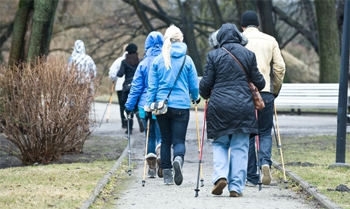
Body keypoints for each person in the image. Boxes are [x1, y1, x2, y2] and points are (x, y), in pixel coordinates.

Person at [199, 23, 265, 197]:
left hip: (219, 106)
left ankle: (220, 175)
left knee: (220, 143)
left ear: (219, 38)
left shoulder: (213, 55)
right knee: (240, 147)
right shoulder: (249, 55)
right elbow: (260, 82)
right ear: (239, 37)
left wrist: (205, 93)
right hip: (243, 107)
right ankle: (236, 186)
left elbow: (206, 84)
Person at [145, 25, 199, 186]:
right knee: (179, 140)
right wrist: (195, 98)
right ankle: (178, 159)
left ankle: (167, 175)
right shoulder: (187, 60)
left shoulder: (158, 60)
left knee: (166, 140)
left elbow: (152, 87)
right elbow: (194, 85)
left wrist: (149, 106)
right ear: (180, 39)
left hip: (161, 107)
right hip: (181, 106)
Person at [241, 10, 286, 187]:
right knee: (265, 131)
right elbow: (280, 67)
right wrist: (274, 89)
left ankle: (251, 175)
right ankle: (265, 162)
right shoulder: (270, 40)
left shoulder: (238, 40)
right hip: (265, 92)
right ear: (258, 25)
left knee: (248, 134)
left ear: (242, 26)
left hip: (244, 93)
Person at [124, 31, 164, 178]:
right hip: (161, 105)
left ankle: (151, 165)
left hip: (144, 105)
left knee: (149, 134)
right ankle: (161, 153)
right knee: (162, 133)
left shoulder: (143, 64)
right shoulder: (165, 61)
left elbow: (136, 88)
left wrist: (128, 107)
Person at [68, 40, 97, 129]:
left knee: (75, 103)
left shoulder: (72, 58)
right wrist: (91, 78)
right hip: (86, 84)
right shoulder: (88, 58)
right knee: (86, 103)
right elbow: (94, 71)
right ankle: (85, 124)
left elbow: (68, 72)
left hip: (75, 84)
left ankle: (75, 122)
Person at [117, 43, 142, 135]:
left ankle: (129, 128)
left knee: (127, 106)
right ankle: (139, 115)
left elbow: (120, 74)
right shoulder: (140, 61)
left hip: (127, 87)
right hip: (138, 86)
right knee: (136, 104)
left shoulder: (124, 62)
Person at [109, 44, 128, 129]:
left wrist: (113, 78)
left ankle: (124, 122)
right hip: (131, 85)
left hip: (120, 86)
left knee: (122, 104)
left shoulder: (118, 60)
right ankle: (130, 122)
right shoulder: (135, 60)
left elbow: (112, 73)